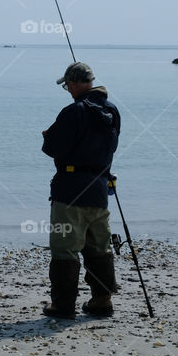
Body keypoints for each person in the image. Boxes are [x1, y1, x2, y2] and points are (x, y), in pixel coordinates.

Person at [40, 61, 121, 319]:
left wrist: (47, 136)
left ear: (74, 84)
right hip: (99, 188)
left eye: (67, 86)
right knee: (99, 246)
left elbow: (51, 148)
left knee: (64, 248)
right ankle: (102, 299)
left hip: (70, 190)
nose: (67, 90)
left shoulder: (73, 111)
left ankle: (63, 305)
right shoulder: (112, 110)